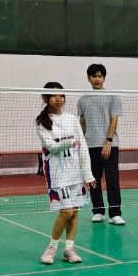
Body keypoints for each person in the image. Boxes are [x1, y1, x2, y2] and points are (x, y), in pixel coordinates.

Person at [36, 82, 95, 265]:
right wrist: (70, 142)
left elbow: (82, 146)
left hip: (75, 171)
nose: (58, 99)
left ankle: (69, 250)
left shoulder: (72, 119)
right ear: (46, 98)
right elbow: (51, 146)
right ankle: (51, 248)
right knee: (66, 212)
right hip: (57, 172)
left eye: (61, 95)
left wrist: (88, 173)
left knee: (75, 213)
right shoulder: (42, 121)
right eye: (53, 95)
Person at [79, 63, 125, 226]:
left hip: (110, 145)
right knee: (93, 179)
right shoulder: (83, 99)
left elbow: (114, 120)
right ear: (89, 78)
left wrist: (108, 141)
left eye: (100, 76)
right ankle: (98, 211)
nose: (97, 79)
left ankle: (115, 213)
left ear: (104, 78)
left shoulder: (113, 97)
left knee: (112, 180)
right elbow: (82, 122)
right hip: (90, 145)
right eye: (94, 76)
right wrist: (81, 144)